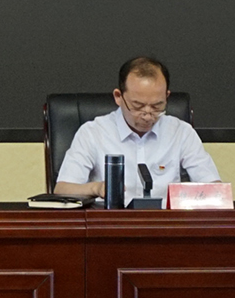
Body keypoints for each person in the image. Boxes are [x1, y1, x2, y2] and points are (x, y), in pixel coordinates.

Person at [51, 55, 218, 202]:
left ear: (167, 97)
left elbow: (215, 189)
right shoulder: (93, 133)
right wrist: (97, 188)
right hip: (110, 224)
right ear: (118, 97)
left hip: (165, 224)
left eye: (157, 106)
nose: (147, 115)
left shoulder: (181, 132)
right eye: (138, 106)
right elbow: (62, 190)